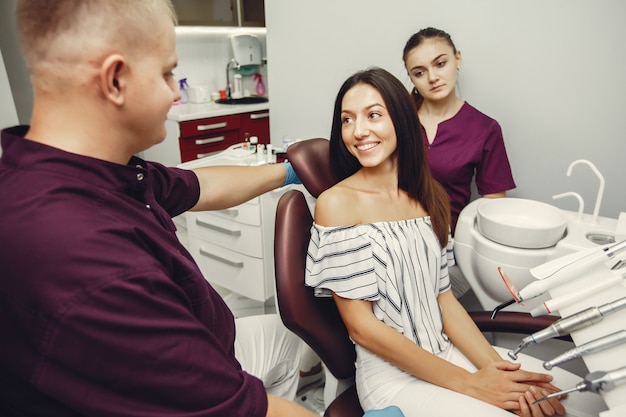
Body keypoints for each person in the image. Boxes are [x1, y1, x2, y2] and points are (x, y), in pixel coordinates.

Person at [0, 1, 318, 416]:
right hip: (203, 387)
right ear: (115, 79)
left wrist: (289, 172)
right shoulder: (83, 257)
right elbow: (239, 408)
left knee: (287, 339)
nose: (174, 91)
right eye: (167, 72)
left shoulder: (97, 170)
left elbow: (198, 184)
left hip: (210, 343)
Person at [305, 67, 605, 417]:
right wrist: (469, 383)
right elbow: (363, 328)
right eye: (347, 119)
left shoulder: (425, 196)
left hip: (447, 354)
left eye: (374, 115)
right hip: (394, 379)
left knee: (585, 402)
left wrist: (501, 372)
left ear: (400, 121)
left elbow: (442, 298)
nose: (358, 131)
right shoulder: (337, 203)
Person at [402, 27, 517, 298]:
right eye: (419, 72)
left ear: (458, 59)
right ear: (411, 78)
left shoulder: (485, 129)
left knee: (425, 321)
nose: (432, 77)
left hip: (447, 251)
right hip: (389, 238)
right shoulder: (397, 120)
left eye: (440, 63)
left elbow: (493, 208)